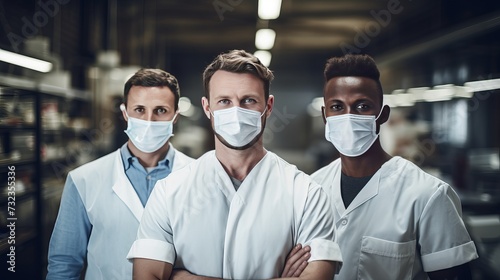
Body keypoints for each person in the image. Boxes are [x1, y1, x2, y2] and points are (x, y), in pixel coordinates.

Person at [127, 49, 343, 280]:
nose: (236, 111)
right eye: (224, 101)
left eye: (248, 100)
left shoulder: (305, 193)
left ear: (268, 106)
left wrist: (178, 277)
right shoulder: (170, 191)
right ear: (208, 107)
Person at [311, 54, 478, 279]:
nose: (348, 117)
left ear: (383, 115)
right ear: (325, 116)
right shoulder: (311, 188)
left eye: (362, 106)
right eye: (337, 106)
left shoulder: (427, 195)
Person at [46, 69, 195, 279]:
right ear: (125, 113)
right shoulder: (84, 180)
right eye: (139, 109)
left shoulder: (199, 177)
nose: (149, 120)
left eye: (161, 110)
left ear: (175, 116)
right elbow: (64, 263)